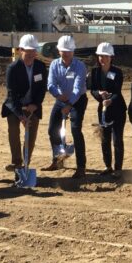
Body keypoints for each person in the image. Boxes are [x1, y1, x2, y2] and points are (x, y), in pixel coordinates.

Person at [1, 34, 48, 178]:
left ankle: (26, 164)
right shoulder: (13, 68)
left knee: (31, 137)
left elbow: (42, 89)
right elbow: (11, 94)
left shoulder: (40, 66)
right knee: (14, 131)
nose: (31, 55)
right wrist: (21, 116)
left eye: (34, 51)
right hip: (14, 107)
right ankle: (17, 163)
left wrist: (35, 105)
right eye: (28, 52)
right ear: (21, 50)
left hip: (32, 106)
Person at [44, 34, 88, 179]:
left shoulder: (80, 66)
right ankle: (58, 160)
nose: (66, 53)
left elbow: (77, 88)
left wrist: (69, 104)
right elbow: (50, 84)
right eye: (64, 51)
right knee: (52, 130)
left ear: (73, 52)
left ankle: (81, 167)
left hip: (78, 100)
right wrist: (58, 95)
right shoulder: (55, 65)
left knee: (76, 130)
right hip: (61, 98)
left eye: (69, 51)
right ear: (59, 51)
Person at [88, 42, 126, 177]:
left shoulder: (117, 72)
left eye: (105, 56)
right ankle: (108, 166)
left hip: (118, 110)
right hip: (103, 110)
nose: (102, 59)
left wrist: (111, 99)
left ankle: (118, 168)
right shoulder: (95, 72)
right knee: (105, 140)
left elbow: (117, 91)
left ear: (111, 57)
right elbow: (92, 90)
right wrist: (99, 94)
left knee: (117, 140)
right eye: (100, 56)